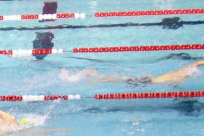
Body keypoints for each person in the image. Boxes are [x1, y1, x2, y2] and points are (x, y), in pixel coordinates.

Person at [60, 60, 204, 86]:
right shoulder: (183, 75)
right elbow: (175, 82)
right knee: (117, 80)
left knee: (118, 79)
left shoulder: (183, 71)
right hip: (148, 82)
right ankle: (92, 75)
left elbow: (197, 62)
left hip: (149, 80)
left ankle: (93, 75)